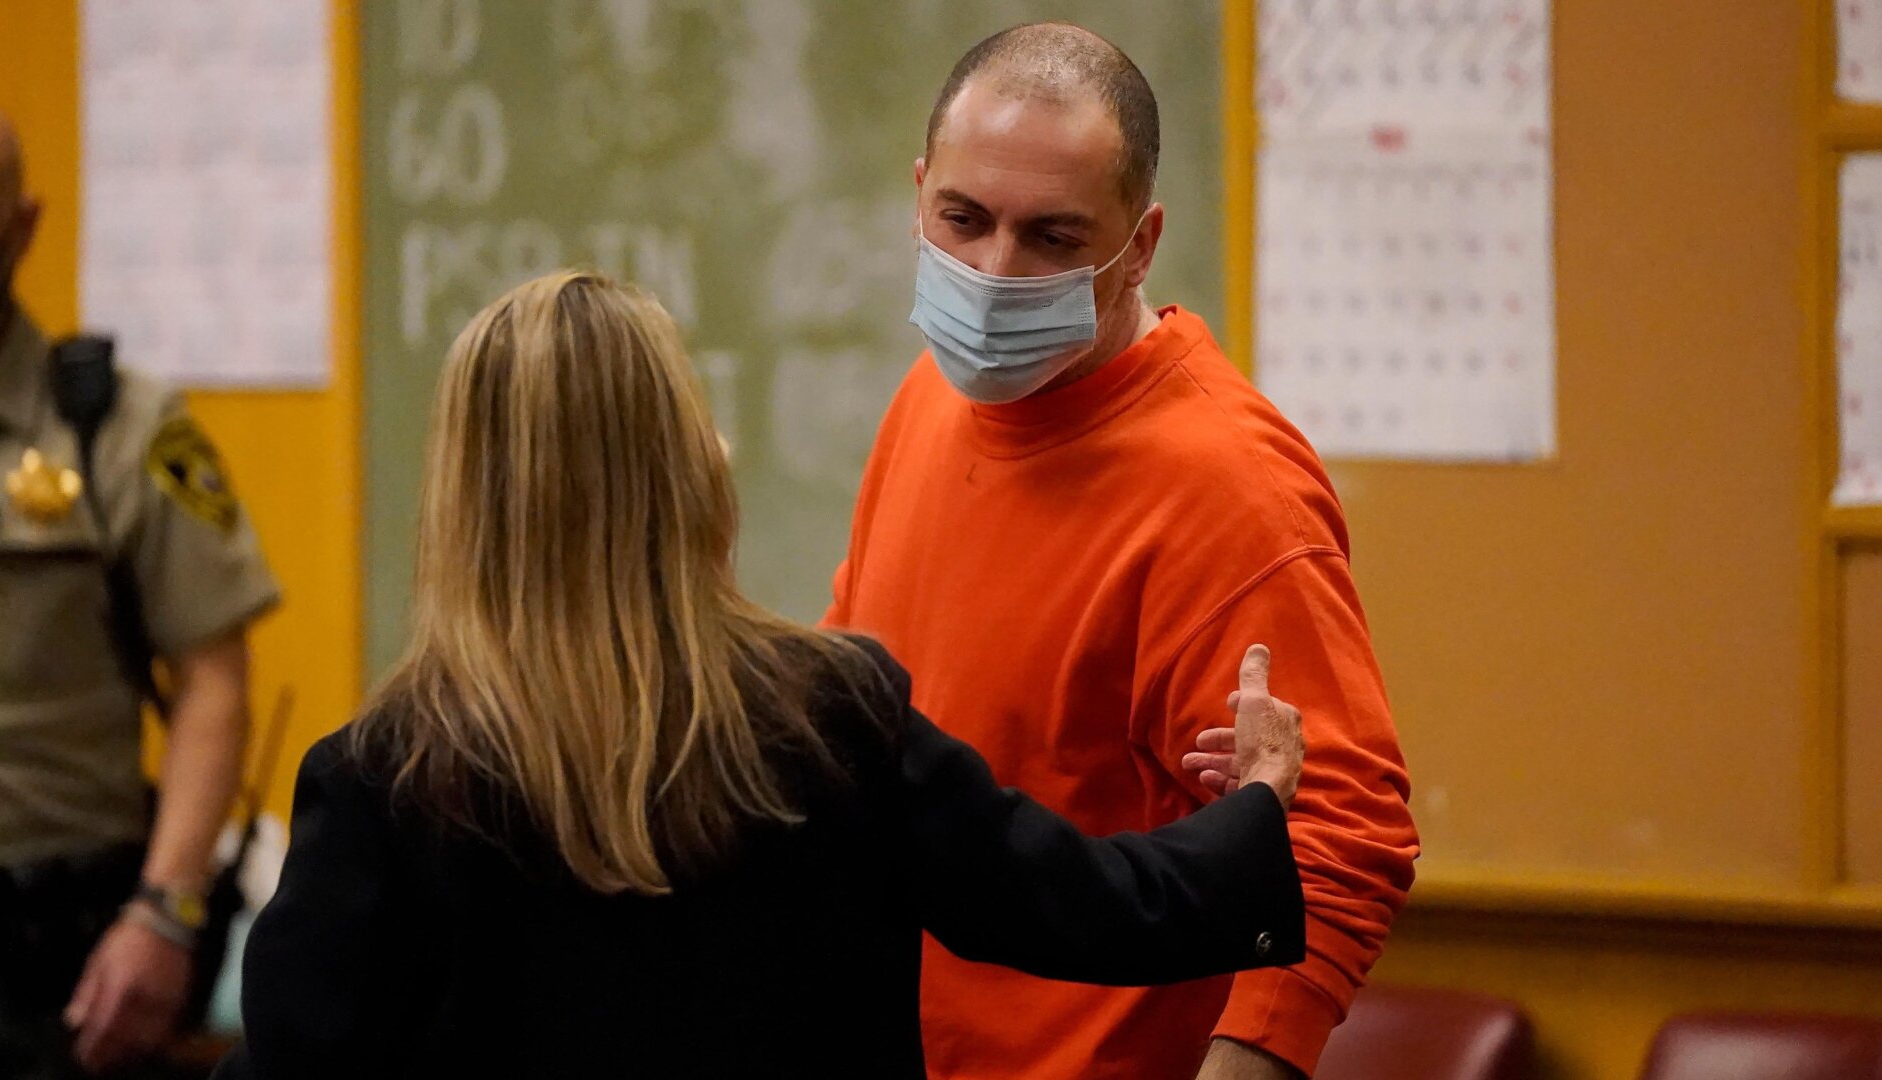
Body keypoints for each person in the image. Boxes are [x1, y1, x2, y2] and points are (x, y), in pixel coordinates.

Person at [216, 271, 1308, 1079]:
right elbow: (1089, 909)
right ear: (691, 463)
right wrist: (1257, 803)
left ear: (460, 496)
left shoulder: (384, 783)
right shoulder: (831, 718)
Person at [823, 23, 1419, 1080]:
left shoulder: (1227, 486)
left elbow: (1341, 836)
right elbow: (856, 721)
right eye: (962, 220)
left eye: (1052, 238)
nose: (994, 272)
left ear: (1139, 246)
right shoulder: (929, 399)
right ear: (918, 192)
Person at [0, 102, 281, 1078]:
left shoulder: (115, 430)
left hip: (54, 946)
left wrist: (166, 911)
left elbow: (213, 682)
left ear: (20, 228)